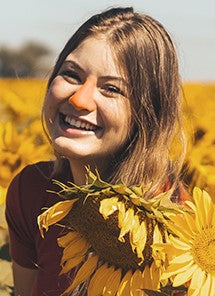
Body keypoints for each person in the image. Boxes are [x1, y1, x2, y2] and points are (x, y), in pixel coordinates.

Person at [5, 6, 188, 296]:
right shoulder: (32, 191)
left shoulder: (180, 227)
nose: (80, 99)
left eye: (111, 89)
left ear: (148, 114)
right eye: (71, 75)